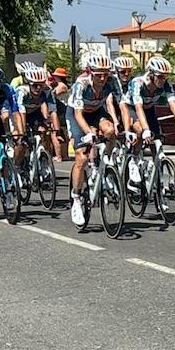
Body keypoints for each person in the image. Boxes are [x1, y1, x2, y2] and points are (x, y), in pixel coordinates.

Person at [67, 54, 126, 226]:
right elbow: (78, 114)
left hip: (96, 112)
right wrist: (88, 132)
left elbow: (122, 105)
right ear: (90, 72)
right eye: (99, 74)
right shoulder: (81, 84)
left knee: (110, 132)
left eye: (105, 74)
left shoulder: (112, 82)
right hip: (78, 115)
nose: (102, 78)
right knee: (82, 157)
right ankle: (76, 198)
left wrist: (122, 127)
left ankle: (105, 163)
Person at [123, 56, 175, 185]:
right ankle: (134, 159)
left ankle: (157, 178)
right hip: (132, 108)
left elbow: (174, 106)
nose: (162, 80)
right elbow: (138, 108)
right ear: (151, 73)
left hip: (149, 108)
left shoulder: (165, 85)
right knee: (141, 131)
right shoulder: (138, 83)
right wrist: (146, 129)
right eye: (160, 76)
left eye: (165, 76)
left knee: (156, 142)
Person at [15, 65, 60, 155]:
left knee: (44, 131)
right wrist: (23, 133)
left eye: (41, 85)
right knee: (20, 140)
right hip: (19, 115)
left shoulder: (47, 91)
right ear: (28, 84)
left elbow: (53, 111)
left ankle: (44, 158)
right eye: (35, 85)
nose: (39, 88)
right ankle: (17, 166)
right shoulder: (22, 92)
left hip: (34, 113)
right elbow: (21, 113)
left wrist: (58, 131)